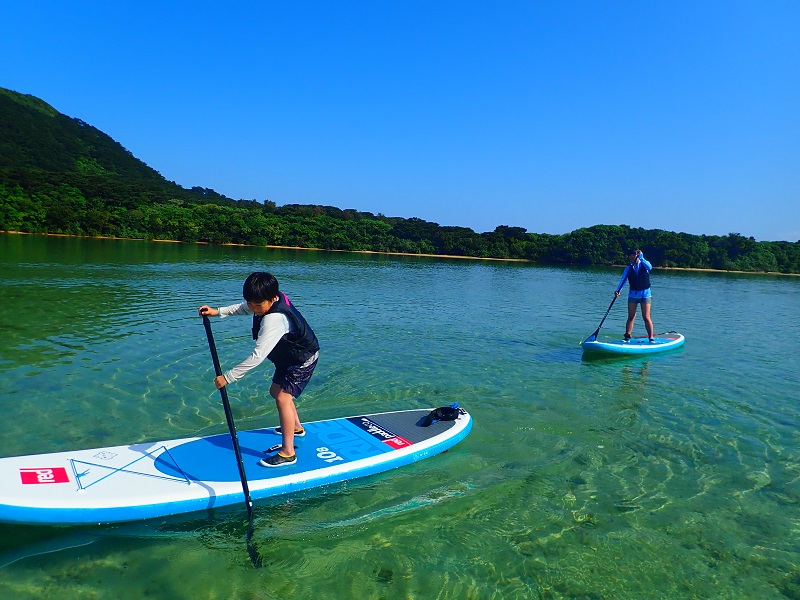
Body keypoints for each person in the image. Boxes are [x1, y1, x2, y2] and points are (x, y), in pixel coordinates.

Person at [198, 272, 320, 468]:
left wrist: (228, 377)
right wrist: (217, 311)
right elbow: (244, 307)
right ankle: (296, 429)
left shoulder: (274, 319)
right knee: (275, 392)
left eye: (258, 305)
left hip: (302, 359)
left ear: (272, 298)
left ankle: (288, 453)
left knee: (283, 398)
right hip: (287, 358)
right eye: (251, 303)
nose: (254, 309)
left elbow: (257, 356)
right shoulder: (266, 300)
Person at [614, 248, 655, 342]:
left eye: (634, 255)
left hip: (645, 295)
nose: (631, 257)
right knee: (631, 316)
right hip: (633, 295)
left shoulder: (644, 264)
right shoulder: (628, 268)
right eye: (630, 255)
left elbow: (650, 267)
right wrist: (618, 290)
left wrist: (641, 256)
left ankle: (651, 338)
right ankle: (627, 337)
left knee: (646, 317)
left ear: (637, 255)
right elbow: (623, 280)